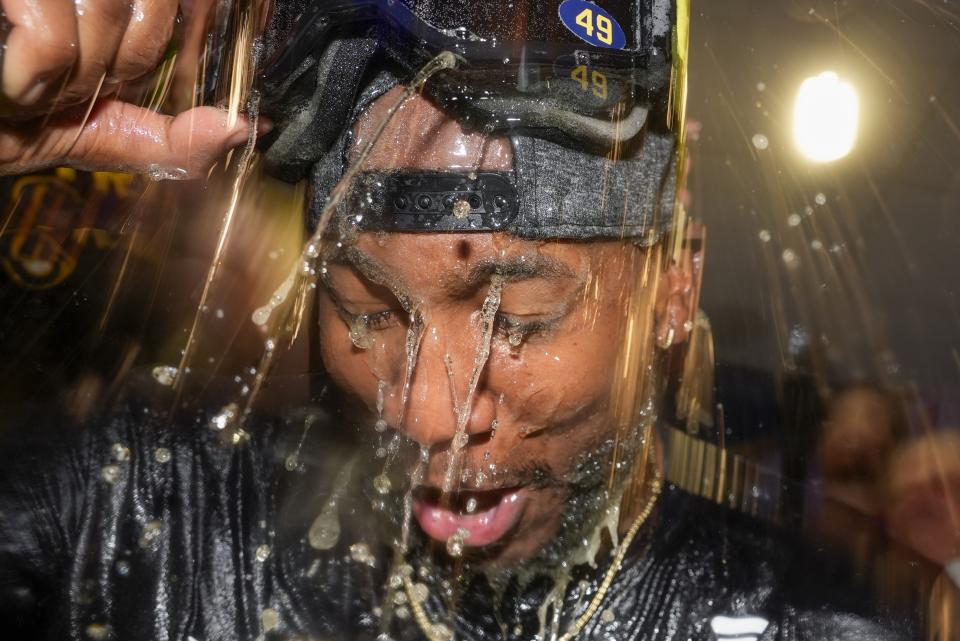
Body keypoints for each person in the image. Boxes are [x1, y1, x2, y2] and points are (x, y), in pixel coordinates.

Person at [0, 1, 918, 640]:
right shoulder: (142, 524)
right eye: (365, 308)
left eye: (517, 316)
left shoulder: (819, 619)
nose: (426, 421)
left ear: (675, 282)